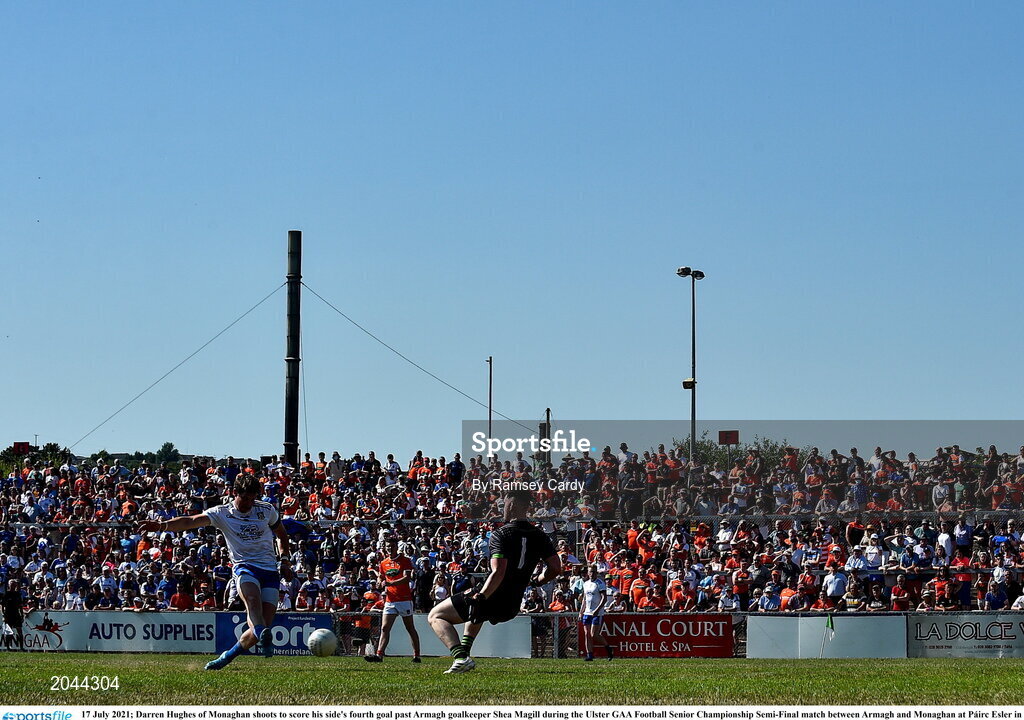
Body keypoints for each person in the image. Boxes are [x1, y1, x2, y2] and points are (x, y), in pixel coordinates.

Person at [138, 474, 289, 670]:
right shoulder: (222, 513)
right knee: (252, 602)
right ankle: (262, 634)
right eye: (245, 498)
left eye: (253, 499)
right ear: (235, 493)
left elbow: (282, 535)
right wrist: (161, 526)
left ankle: (226, 657)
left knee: (261, 627)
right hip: (245, 567)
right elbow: (190, 521)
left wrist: (284, 560)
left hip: (269, 570)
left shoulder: (266, 510)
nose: (250, 504)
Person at [427, 489, 561, 674]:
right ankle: (464, 656)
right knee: (477, 615)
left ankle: (459, 656)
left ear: (512, 505)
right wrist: (537, 580)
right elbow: (555, 568)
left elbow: (499, 572)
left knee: (436, 615)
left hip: (494, 594)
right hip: (512, 603)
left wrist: (481, 596)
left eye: (504, 504)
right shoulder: (539, 535)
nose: (502, 508)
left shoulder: (501, 534)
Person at [364, 538, 421, 663]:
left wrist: (390, 583)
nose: (390, 548)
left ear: (397, 547)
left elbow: (407, 578)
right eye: (388, 546)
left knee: (410, 628)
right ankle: (379, 655)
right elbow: (381, 578)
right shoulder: (383, 563)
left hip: (404, 599)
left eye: (392, 546)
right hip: (390, 600)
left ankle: (416, 655)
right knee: (384, 628)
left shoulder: (405, 561)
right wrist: (380, 582)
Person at [578, 565, 612, 661]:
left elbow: (604, 598)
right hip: (587, 612)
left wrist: (597, 610)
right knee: (587, 634)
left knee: (594, 634)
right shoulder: (586, 584)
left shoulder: (600, 583)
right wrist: (581, 612)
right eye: (590, 572)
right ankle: (589, 654)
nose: (591, 574)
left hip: (596, 613)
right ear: (587, 573)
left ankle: (608, 649)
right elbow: (585, 599)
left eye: (593, 572)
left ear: (596, 573)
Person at [2, 580, 24, 651]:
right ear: (9, 585)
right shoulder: (6, 594)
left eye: (14, 585)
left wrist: (22, 614)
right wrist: (3, 615)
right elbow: (2, 606)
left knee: (20, 631)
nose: (13, 586)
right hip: (8, 614)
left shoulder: (18, 594)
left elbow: (20, 605)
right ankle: (8, 647)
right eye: (12, 585)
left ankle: (21, 647)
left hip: (16, 614)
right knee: (9, 632)